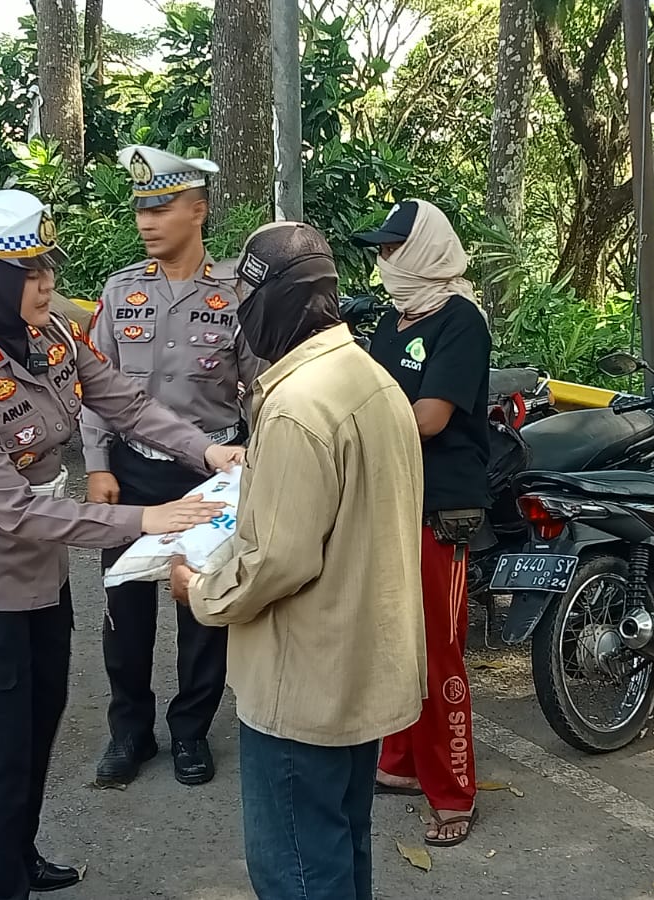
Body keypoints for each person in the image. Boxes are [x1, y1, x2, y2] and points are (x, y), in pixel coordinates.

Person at [0, 189, 244, 900]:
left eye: (47, 268)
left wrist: (203, 453)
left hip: (37, 581)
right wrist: (143, 522)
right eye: (26, 273)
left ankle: (17, 856)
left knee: (35, 731)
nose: (46, 284)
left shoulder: (53, 336)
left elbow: (122, 400)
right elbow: (18, 512)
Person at [170, 222, 428, 900]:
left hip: (301, 687)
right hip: (360, 673)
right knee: (344, 848)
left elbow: (277, 560)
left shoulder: (294, 409)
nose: (239, 316)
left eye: (243, 300)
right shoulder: (373, 381)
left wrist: (201, 590)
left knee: (298, 874)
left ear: (271, 302)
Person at [82, 144, 264, 788]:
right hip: (132, 474)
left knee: (202, 612)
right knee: (123, 614)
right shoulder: (120, 290)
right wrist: (98, 463)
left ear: (198, 210)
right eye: (140, 209)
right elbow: (95, 386)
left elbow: (261, 388)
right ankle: (129, 733)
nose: (147, 221)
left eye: (161, 206)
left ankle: (190, 732)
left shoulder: (237, 294)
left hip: (209, 475)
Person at [354, 199, 488, 846]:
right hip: (391, 499)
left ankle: (453, 789)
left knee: (439, 651)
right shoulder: (392, 319)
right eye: (380, 251)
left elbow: (429, 417)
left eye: (393, 249)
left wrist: (347, 434)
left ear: (425, 250)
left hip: (440, 507)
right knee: (394, 638)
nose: (384, 262)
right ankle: (403, 763)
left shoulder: (461, 320)